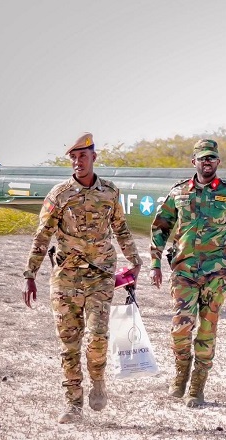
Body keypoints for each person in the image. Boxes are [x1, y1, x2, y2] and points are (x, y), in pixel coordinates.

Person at [23, 132, 142, 424]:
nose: (78, 162)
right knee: (69, 343)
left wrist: (135, 261)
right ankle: (73, 403)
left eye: (83, 156)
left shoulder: (110, 192)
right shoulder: (59, 194)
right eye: (73, 158)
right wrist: (30, 273)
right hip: (66, 276)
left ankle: (98, 379)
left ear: (93, 157)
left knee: (98, 336)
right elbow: (43, 234)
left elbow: (121, 228)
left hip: (100, 275)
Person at [149, 139, 226, 408]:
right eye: (203, 158)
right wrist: (155, 263)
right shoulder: (179, 192)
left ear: (218, 162)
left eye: (212, 158)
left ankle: (197, 386)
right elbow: (161, 227)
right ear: (194, 161)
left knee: (207, 331)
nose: (207, 162)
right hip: (184, 271)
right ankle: (181, 373)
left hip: (216, 274)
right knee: (180, 329)